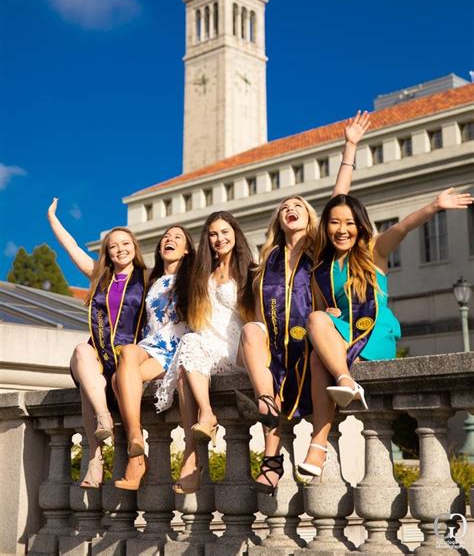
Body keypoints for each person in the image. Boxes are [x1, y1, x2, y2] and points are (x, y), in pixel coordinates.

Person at [236, 111, 370, 495]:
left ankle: (273, 460)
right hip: (275, 342)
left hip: (309, 339)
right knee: (251, 332)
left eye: (297, 204)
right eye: (284, 207)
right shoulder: (267, 260)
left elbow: (338, 200)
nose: (290, 208)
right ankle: (265, 405)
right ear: (279, 220)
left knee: (296, 369)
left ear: (308, 216)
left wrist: (349, 146)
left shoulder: (318, 247)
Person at [297, 187, 473, 478]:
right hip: (344, 334)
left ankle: (333, 407)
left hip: (374, 333)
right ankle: (321, 440)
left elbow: (402, 227)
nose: (343, 230)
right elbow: (320, 312)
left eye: (350, 223)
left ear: (360, 225)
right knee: (316, 342)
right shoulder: (321, 270)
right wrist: (328, 313)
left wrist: (434, 205)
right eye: (335, 222)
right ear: (325, 226)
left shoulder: (373, 252)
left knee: (319, 351)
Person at [47, 198, 147, 488]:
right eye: (113, 245)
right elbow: (73, 248)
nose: (120, 249)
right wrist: (53, 219)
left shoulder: (147, 278)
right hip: (97, 356)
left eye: (125, 243)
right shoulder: (100, 277)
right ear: (107, 252)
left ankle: (95, 458)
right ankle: (104, 421)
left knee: (87, 392)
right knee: (81, 350)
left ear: (134, 246)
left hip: (127, 358)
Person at [155, 211, 255, 494]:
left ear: (235, 233)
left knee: (188, 362)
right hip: (208, 345)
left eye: (224, 232)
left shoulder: (250, 269)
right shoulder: (203, 273)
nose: (219, 238)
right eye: (213, 234)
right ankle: (205, 420)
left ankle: (192, 453)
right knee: (189, 348)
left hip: (237, 347)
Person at [112, 225, 196, 490]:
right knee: (126, 353)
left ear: (186, 250)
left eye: (177, 238)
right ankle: (136, 439)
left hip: (175, 346)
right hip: (150, 344)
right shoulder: (150, 279)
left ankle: (137, 459)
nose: (169, 240)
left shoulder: (194, 277)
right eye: (166, 237)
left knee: (118, 380)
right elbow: (95, 269)